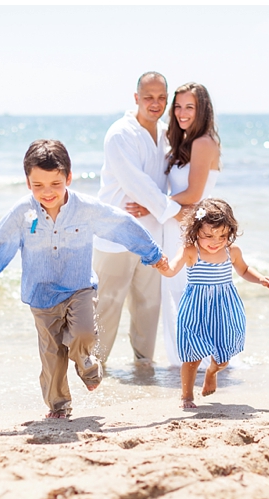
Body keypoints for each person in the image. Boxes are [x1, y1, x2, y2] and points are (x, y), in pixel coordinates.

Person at [0, 139, 168, 419]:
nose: (47, 192)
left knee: (84, 332)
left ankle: (86, 363)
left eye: (55, 184)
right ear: (28, 183)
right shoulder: (23, 213)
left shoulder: (85, 209)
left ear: (69, 178)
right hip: (41, 296)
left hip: (79, 287)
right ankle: (59, 406)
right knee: (52, 357)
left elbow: (119, 224)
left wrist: (153, 254)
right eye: (38, 185)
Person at [93, 72, 185, 364]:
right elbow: (136, 183)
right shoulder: (120, 133)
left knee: (149, 307)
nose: (155, 103)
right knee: (106, 308)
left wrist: (160, 206)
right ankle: (94, 372)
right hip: (116, 235)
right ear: (136, 99)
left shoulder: (166, 134)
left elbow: (162, 183)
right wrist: (175, 211)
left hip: (152, 236)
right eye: (148, 97)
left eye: (161, 97)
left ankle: (144, 369)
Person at [128, 82, 220, 368]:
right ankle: (182, 363)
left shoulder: (204, 142)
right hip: (174, 225)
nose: (181, 112)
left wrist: (153, 205)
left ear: (202, 109)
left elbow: (194, 195)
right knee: (174, 295)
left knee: (189, 297)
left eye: (189, 107)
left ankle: (200, 364)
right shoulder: (182, 142)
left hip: (191, 229)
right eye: (177, 106)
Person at [155, 198, 269, 409]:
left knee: (223, 358)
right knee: (191, 356)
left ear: (230, 231)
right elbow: (171, 270)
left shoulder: (232, 251)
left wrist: (261, 279)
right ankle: (187, 396)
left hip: (224, 307)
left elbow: (244, 270)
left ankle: (211, 372)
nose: (216, 241)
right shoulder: (190, 251)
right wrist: (160, 265)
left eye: (222, 235)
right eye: (208, 235)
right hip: (196, 308)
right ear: (196, 231)